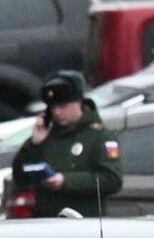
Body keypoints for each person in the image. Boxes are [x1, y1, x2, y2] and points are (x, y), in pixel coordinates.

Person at [11, 70, 123, 218]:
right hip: (47, 220)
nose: (57, 112)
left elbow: (112, 179)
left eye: (63, 106)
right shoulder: (47, 134)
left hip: (83, 220)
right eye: (53, 107)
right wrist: (34, 144)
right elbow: (19, 176)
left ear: (79, 103)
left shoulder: (99, 136)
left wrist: (66, 181)